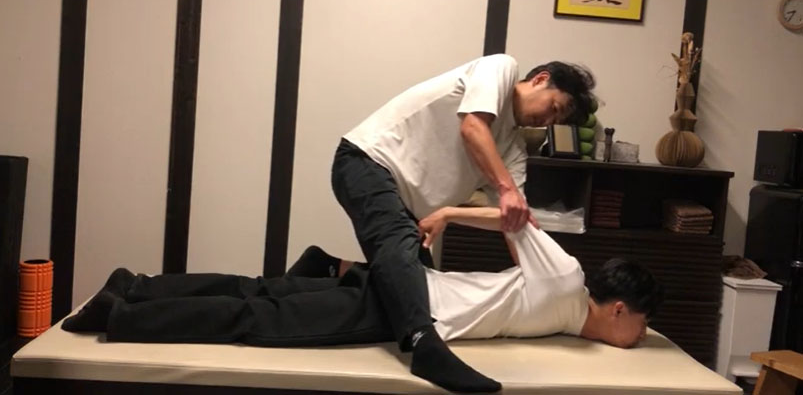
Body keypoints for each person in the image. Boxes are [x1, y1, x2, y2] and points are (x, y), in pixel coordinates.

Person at [62, 205, 663, 393]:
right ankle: (123, 312)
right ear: (619, 308)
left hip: (395, 287)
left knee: (257, 289)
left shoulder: (562, 313)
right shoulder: (566, 281)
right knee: (256, 317)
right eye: (642, 325)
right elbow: (515, 217)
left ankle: (135, 285)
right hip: (402, 305)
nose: (640, 337)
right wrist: (448, 214)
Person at [321, 54, 598, 391]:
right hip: (368, 161)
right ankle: (424, 347)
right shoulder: (501, 68)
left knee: (420, 289)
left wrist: (533, 269)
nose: (547, 120)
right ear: (540, 79)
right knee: (406, 282)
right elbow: (472, 128)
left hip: (406, 206)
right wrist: (506, 189)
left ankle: (324, 267)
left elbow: (511, 219)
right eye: (554, 107)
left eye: (556, 120)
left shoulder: (512, 149)